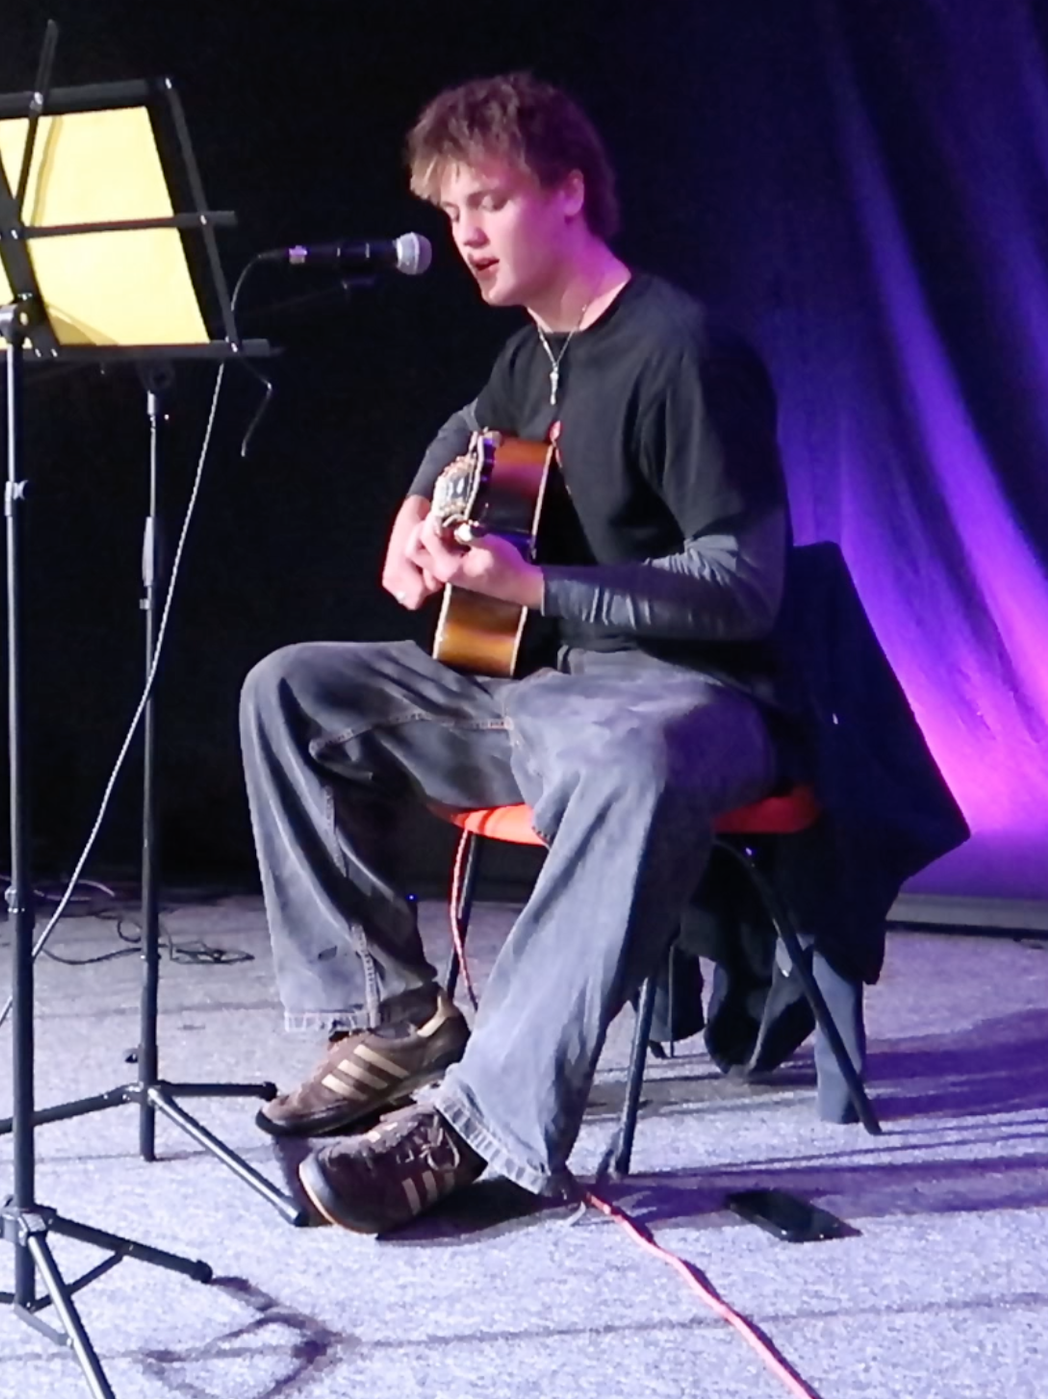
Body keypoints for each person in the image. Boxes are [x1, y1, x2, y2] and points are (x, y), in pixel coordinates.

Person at [238, 72, 792, 1234]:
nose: (466, 235)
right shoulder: (531, 354)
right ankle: (391, 1015)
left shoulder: (684, 351)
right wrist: (413, 507)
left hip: (686, 699)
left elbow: (744, 584)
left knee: (630, 761)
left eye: (487, 202)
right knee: (289, 690)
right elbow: (472, 427)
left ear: (569, 193)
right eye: (451, 213)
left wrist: (533, 585)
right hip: (540, 688)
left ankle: (477, 1124)